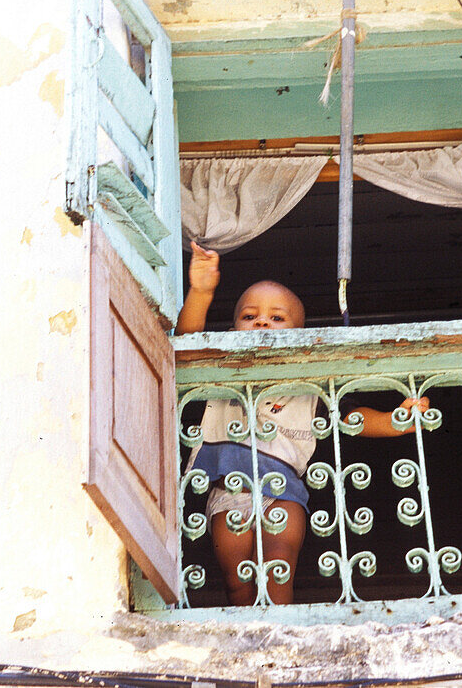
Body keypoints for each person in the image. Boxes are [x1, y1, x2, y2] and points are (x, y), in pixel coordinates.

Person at [176, 241, 428, 606]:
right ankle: (251, 639)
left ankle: (280, 629)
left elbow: (348, 416)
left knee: (277, 566)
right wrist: (201, 292)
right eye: (250, 316)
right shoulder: (219, 363)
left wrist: (395, 422)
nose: (262, 321)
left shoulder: (310, 383)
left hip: (283, 489)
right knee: (237, 582)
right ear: (232, 329)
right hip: (226, 490)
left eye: (277, 317)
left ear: (298, 332)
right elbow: (186, 345)